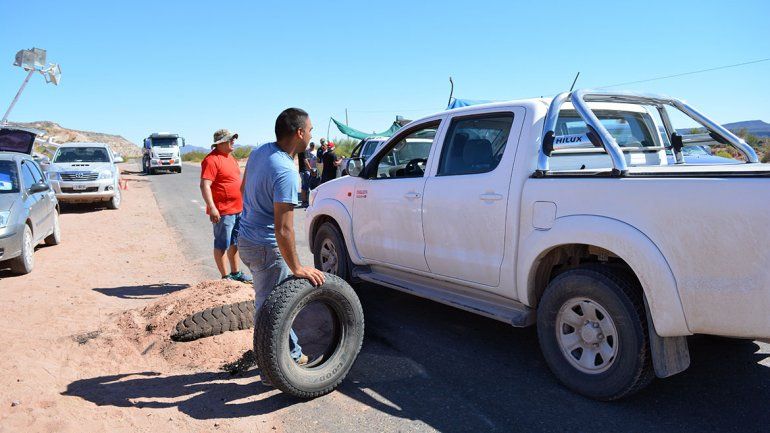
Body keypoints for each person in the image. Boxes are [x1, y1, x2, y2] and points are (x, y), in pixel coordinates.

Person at [238, 108, 326, 385]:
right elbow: (284, 228)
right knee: (272, 309)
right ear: (300, 133)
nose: (312, 134)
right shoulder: (287, 172)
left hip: (246, 239)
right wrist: (297, 266)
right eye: (310, 129)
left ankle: (293, 352)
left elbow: (243, 190)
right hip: (265, 247)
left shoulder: (260, 152)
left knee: (268, 300)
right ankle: (271, 370)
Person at [199, 129, 252, 282]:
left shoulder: (230, 157)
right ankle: (225, 277)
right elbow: (205, 185)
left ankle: (235, 273)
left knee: (235, 242)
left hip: (238, 209)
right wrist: (212, 207)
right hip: (223, 211)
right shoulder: (211, 160)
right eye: (230, 139)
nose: (233, 142)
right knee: (222, 244)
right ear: (221, 143)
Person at [298, 142, 311, 207]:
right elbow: (305, 161)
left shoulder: (301, 149)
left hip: (303, 170)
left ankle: (304, 201)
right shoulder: (303, 150)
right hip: (304, 170)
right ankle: (304, 202)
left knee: (304, 186)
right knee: (305, 186)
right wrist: (310, 169)